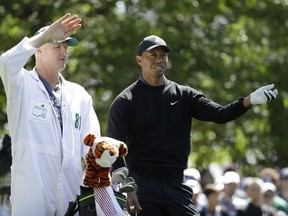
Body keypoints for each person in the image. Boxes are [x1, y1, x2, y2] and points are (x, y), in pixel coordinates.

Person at [106, 35, 278, 216]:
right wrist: (128, 189)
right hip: (142, 186)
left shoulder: (184, 95)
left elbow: (220, 114)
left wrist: (248, 101)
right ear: (139, 60)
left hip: (176, 184)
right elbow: (114, 149)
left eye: (163, 55)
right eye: (152, 55)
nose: (159, 59)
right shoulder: (125, 101)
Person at [0, 13, 100, 215]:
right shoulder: (22, 85)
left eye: (65, 47)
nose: (63, 52)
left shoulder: (79, 95)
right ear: (39, 50)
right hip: (32, 199)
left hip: (71, 199)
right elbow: (6, 63)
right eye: (56, 46)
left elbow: (92, 147)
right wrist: (44, 35)